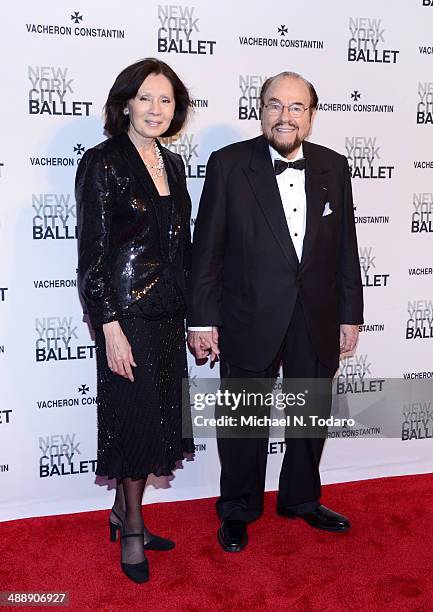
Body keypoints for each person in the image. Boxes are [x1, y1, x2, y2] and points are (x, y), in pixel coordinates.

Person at [187, 71, 363, 552]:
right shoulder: (229, 164)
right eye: (274, 105)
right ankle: (239, 508)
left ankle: (302, 500)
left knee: (311, 413)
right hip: (248, 313)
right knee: (243, 420)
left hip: (317, 314)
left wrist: (351, 314)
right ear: (260, 109)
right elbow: (208, 250)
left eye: (296, 107)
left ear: (310, 114)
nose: (285, 116)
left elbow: (346, 247)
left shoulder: (334, 166)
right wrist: (202, 319)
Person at [76, 58, 193, 582]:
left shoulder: (173, 164)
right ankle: (131, 530)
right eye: (145, 98)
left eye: (165, 100)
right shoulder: (103, 163)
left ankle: (124, 512)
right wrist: (109, 325)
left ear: (176, 110)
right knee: (132, 420)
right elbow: (92, 254)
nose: (155, 108)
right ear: (125, 102)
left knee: (158, 419)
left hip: (168, 312)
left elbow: (180, 244)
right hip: (126, 314)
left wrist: (195, 315)